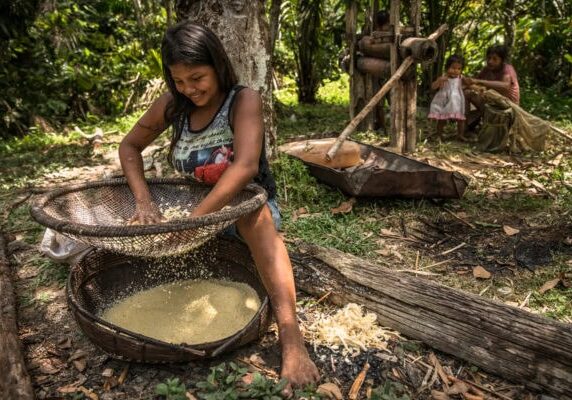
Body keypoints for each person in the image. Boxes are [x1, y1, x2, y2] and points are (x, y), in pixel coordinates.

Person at [118, 21, 320, 393]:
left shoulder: (243, 101)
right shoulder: (172, 106)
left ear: (218, 65)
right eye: (179, 81)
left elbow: (244, 167)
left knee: (252, 214)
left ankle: (291, 338)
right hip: (192, 217)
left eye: (197, 77)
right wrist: (145, 204)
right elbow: (129, 148)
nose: (189, 89)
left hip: (240, 212)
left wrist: (195, 223)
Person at [463, 44, 520, 125]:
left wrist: (479, 82)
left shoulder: (507, 69)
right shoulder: (487, 69)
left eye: (494, 59)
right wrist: (466, 83)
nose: (490, 61)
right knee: (466, 93)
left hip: (507, 106)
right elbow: (476, 86)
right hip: (492, 103)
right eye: (489, 58)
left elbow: (505, 86)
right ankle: (465, 126)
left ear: (502, 60)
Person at [428, 54, 466, 141]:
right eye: (453, 68)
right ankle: (439, 135)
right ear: (447, 67)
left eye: (458, 69)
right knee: (442, 119)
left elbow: (469, 84)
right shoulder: (443, 78)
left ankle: (460, 135)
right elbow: (433, 87)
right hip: (444, 101)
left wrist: (479, 88)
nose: (455, 71)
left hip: (456, 102)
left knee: (461, 119)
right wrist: (439, 81)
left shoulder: (460, 78)